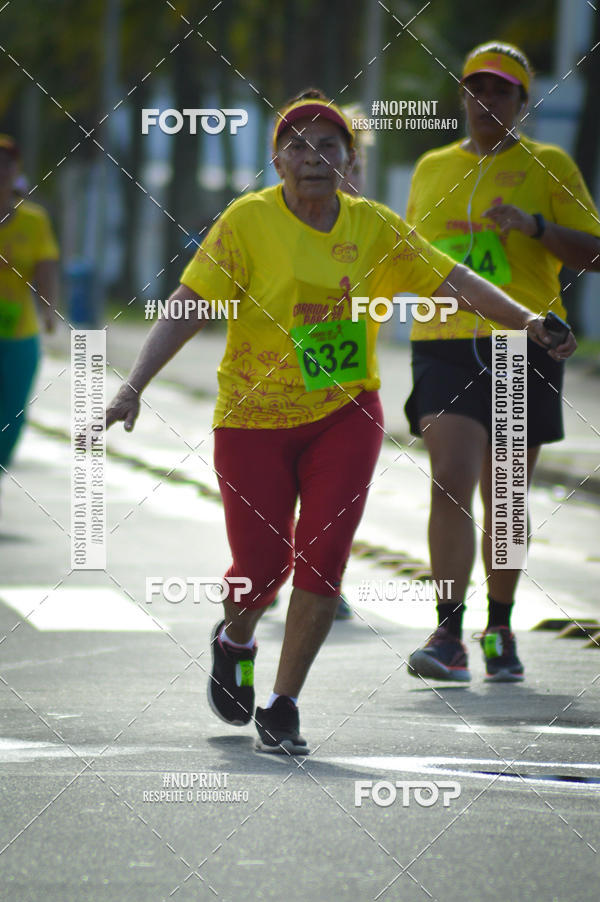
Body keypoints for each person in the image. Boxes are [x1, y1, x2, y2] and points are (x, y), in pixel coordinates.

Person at [106, 89, 561, 754]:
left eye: (328, 145)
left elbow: (454, 279)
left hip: (344, 415)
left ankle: (284, 703)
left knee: (322, 561)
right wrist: (133, 383)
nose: (312, 156)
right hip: (252, 419)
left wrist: (525, 320)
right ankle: (235, 639)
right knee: (261, 567)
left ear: (348, 160)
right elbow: (189, 302)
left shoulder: (373, 227)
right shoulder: (245, 222)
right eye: (297, 145)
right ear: (277, 161)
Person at [404, 42, 599, 683]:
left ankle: (501, 626)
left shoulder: (550, 164)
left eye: (502, 91)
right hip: (443, 340)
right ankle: (447, 631)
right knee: (449, 477)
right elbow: (405, 257)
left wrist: (535, 227)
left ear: (522, 102)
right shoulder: (430, 167)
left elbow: (594, 253)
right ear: (461, 96)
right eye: (476, 88)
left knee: (508, 495)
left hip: (524, 343)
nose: (486, 101)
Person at [0, 134, 59, 504]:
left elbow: (47, 265)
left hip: (19, 335)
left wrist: (49, 310)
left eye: (7, 164)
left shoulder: (34, 220)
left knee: (12, 415)